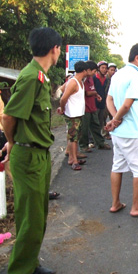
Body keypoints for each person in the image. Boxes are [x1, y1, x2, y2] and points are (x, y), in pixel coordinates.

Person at [1, 27, 61, 274]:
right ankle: (19, 270)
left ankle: (29, 262)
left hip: (39, 154)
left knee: (37, 215)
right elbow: (8, 116)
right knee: (31, 220)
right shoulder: (30, 77)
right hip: (28, 155)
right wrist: (13, 142)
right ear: (53, 49)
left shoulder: (40, 76)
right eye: (59, 48)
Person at [105, 43, 138, 218]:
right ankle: (136, 207)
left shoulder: (118, 74)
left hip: (118, 133)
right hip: (132, 132)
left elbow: (109, 99)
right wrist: (117, 119)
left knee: (117, 166)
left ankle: (115, 203)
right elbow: (127, 104)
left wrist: (114, 120)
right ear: (137, 57)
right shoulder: (136, 76)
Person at [57, 61, 87, 171]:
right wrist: (63, 108)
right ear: (84, 71)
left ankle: (71, 158)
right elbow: (63, 98)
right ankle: (74, 160)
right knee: (73, 137)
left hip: (78, 114)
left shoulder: (79, 82)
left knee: (75, 136)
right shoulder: (73, 82)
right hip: (72, 115)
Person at [79, 60, 111, 152]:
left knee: (96, 125)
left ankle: (100, 143)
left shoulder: (91, 79)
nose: (95, 72)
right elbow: (87, 92)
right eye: (94, 70)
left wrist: (96, 95)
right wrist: (95, 93)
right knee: (84, 128)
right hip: (85, 107)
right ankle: (84, 145)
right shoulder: (84, 79)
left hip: (93, 106)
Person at [94, 61, 109, 139]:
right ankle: (91, 140)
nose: (104, 70)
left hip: (102, 104)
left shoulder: (106, 79)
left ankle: (98, 139)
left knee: (101, 121)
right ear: (98, 68)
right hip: (94, 104)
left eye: (106, 68)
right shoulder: (94, 78)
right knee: (94, 122)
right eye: (102, 68)